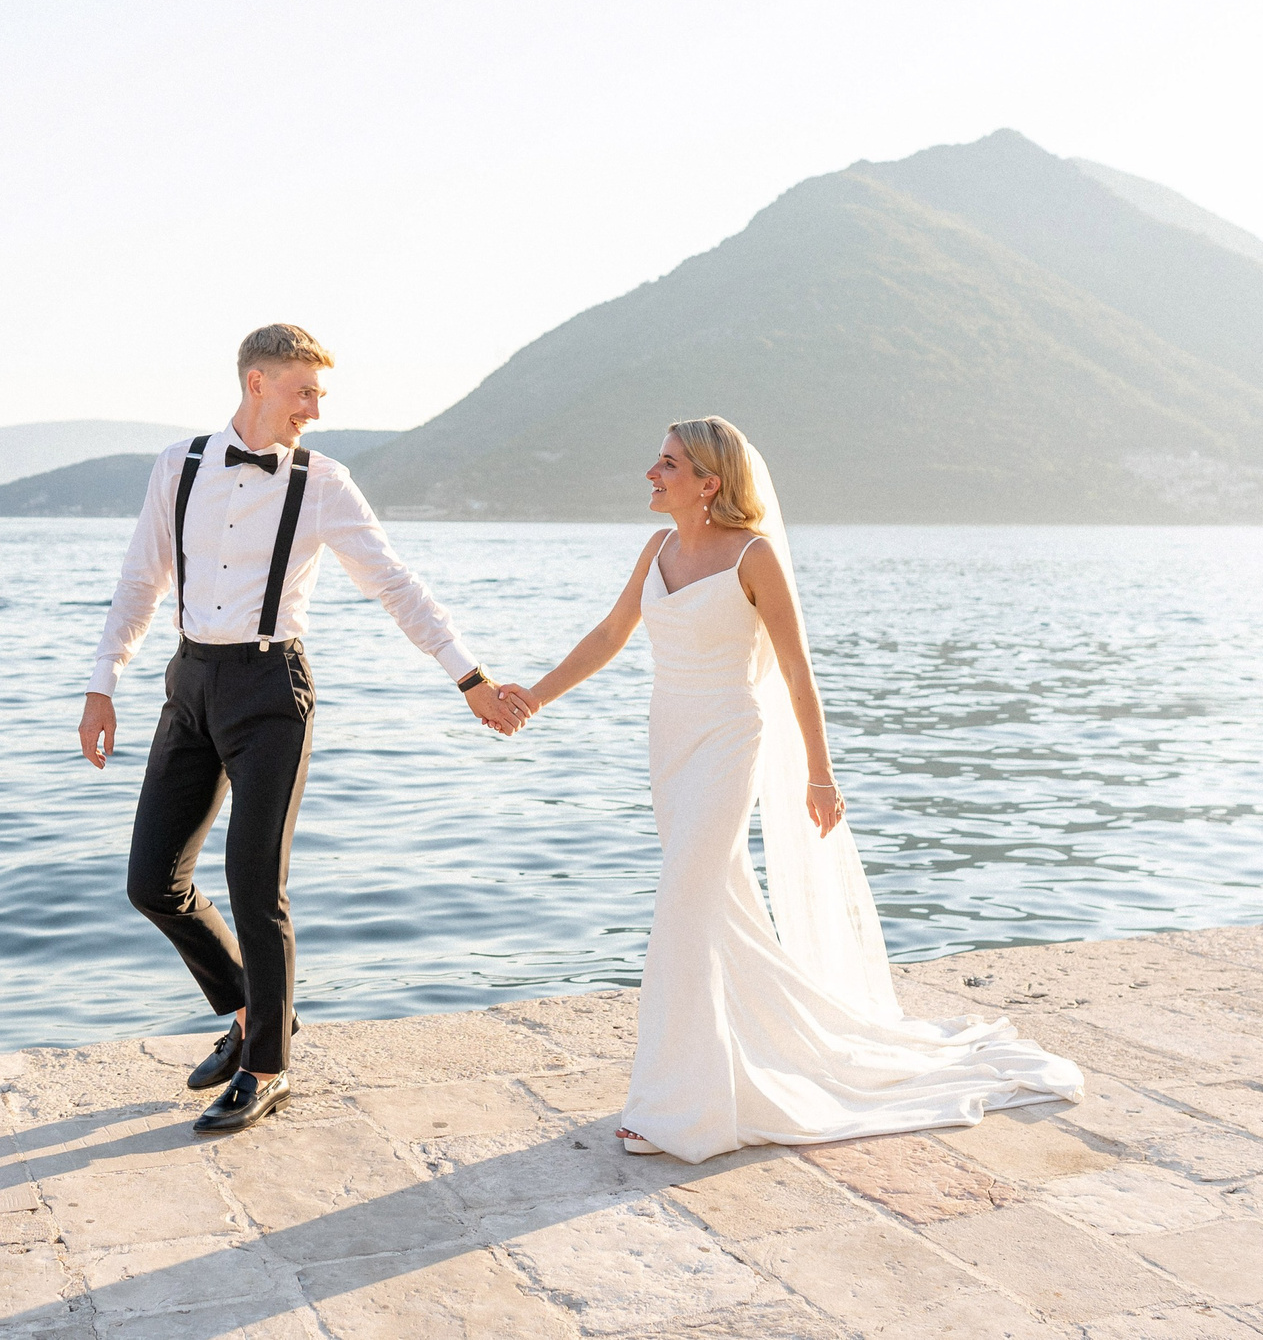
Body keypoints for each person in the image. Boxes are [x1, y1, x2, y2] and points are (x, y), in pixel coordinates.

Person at [498, 417, 1081, 1162]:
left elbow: (798, 671)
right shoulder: (657, 549)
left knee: (683, 904)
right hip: (669, 741)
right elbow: (611, 635)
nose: (652, 472)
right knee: (716, 907)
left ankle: (677, 1106)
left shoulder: (754, 555)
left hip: (728, 740)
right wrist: (534, 697)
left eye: (668, 463)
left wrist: (820, 773)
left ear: (708, 483)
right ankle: (748, 1064)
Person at [80, 323, 529, 1134]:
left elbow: (396, 584)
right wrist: (101, 683)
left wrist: (469, 676)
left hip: (270, 691)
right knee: (152, 880)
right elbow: (140, 579)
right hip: (189, 684)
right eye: (304, 392)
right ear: (257, 382)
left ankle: (267, 1067)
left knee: (255, 882)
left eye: (320, 394)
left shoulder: (324, 483)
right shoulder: (179, 465)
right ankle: (255, 1010)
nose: (315, 410)